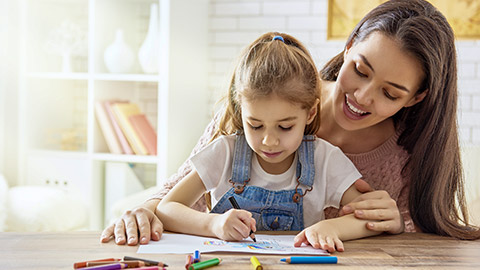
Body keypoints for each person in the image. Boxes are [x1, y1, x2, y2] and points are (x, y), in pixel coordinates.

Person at [101, 0, 480, 246]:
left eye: (390, 93)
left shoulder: (406, 155)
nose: (363, 96)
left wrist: (395, 223)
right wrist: (146, 210)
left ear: (416, 98)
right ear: (348, 49)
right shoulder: (270, 96)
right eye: (360, 70)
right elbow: (176, 194)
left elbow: (415, 241)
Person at [156, 32, 380, 252]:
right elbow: (167, 208)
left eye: (285, 127)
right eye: (255, 125)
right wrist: (213, 224)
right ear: (241, 111)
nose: (269, 141)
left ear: (310, 113)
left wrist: (332, 227)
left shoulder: (325, 159)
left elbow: (368, 218)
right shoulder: (225, 152)